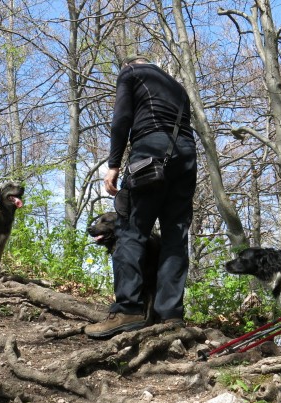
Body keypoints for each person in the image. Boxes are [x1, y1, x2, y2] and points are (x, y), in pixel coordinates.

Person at [84, 55, 197, 338]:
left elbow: (121, 119)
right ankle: (169, 315)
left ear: (129, 65)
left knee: (129, 230)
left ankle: (127, 310)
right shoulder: (177, 87)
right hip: (186, 156)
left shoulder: (131, 73)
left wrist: (113, 164)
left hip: (150, 152)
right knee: (175, 235)